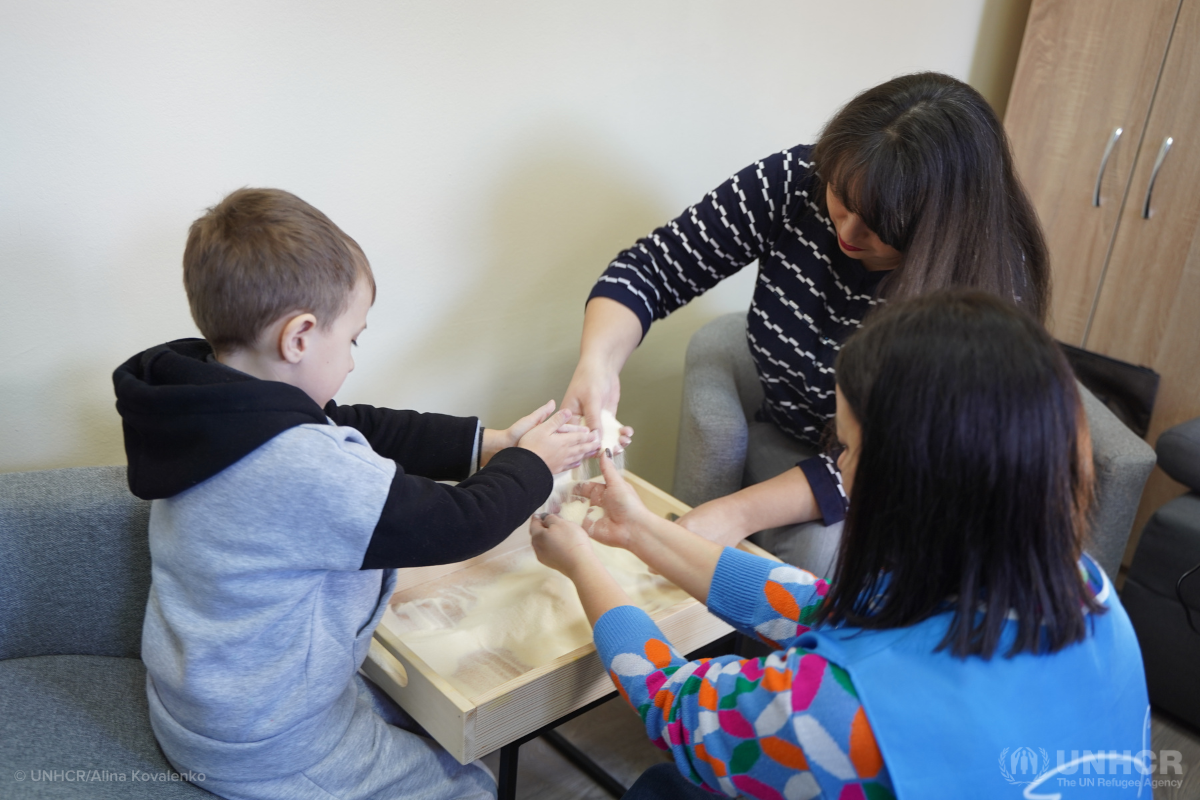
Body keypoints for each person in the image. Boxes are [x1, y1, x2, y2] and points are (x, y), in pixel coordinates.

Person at [533, 291, 1149, 799]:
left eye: (848, 448)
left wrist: (581, 561)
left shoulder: (835, 715)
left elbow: (674, 706)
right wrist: (641, 529)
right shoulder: (1086, 590)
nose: (840, 467)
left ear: (910, 481)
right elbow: (827, 606)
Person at [112, 188, 598, 800]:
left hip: (201, 704)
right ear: (300, 337)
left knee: (424, 720)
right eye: (353, 340)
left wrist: (491, 444)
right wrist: (534, 464)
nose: (350, 361)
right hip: (269, 745)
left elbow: (356, 424)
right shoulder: (297, 465)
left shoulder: (207, 403)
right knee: (472, 787)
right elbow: (458, 523)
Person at [561, 72, 1049, 574]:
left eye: (880, 225)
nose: (848, 232)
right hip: (803, 422)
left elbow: (892, 456)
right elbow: (652, 269)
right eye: (841, 199)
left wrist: (735, 513)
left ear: (937, 230)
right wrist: (598, 364)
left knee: (815, 556)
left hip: (897, 474)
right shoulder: (799, 177)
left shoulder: (983, 286)